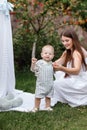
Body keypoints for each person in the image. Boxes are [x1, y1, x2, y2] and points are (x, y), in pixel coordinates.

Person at [52, 28, 87, 107]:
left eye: (67, 40)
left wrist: (62, 68)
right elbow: (58, 62)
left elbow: (77, 71)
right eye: (63, 41)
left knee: (56, 84)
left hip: (82, 80)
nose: (64, 43)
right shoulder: (68, 51)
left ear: (73, 40)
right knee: (58, 74)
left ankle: (76, 97)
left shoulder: (76, 52)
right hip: (76, 77)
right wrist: (45, 63)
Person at [30, 45, 54, 112]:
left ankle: (48, 106)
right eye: (46, 53)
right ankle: (36, 107)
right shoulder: (39, 63)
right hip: (41, 84)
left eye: (50, 54)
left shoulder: (52, 64)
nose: (48, 55)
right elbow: (33, 69)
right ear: (42, 54)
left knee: (48, 97)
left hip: (49, 84)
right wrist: (33, 64)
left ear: (53, 56)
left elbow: (54, 71)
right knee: (38, 97)